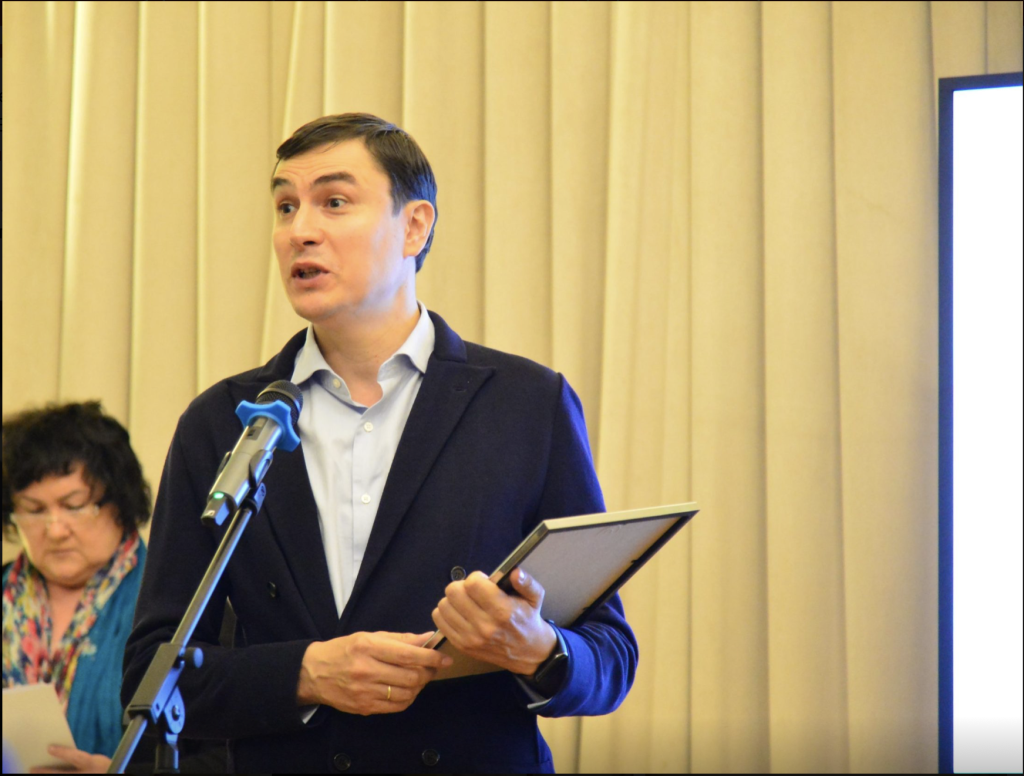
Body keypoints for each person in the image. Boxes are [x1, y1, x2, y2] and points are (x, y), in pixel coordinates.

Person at [122, 113, 637, 773]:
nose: (300, 230)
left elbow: (610, 658)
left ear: (414, 226)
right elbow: (151, 672)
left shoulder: (527, 403)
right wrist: (305, 673)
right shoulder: (224, 421)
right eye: (286, 206)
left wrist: (537, 648)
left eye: (334, 202)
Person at [2, 402, 151, 773]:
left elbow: (223, 756)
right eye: (34, 510)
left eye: (74, 505)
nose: (55, 530)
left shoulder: (171, 600)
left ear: (120, 503)